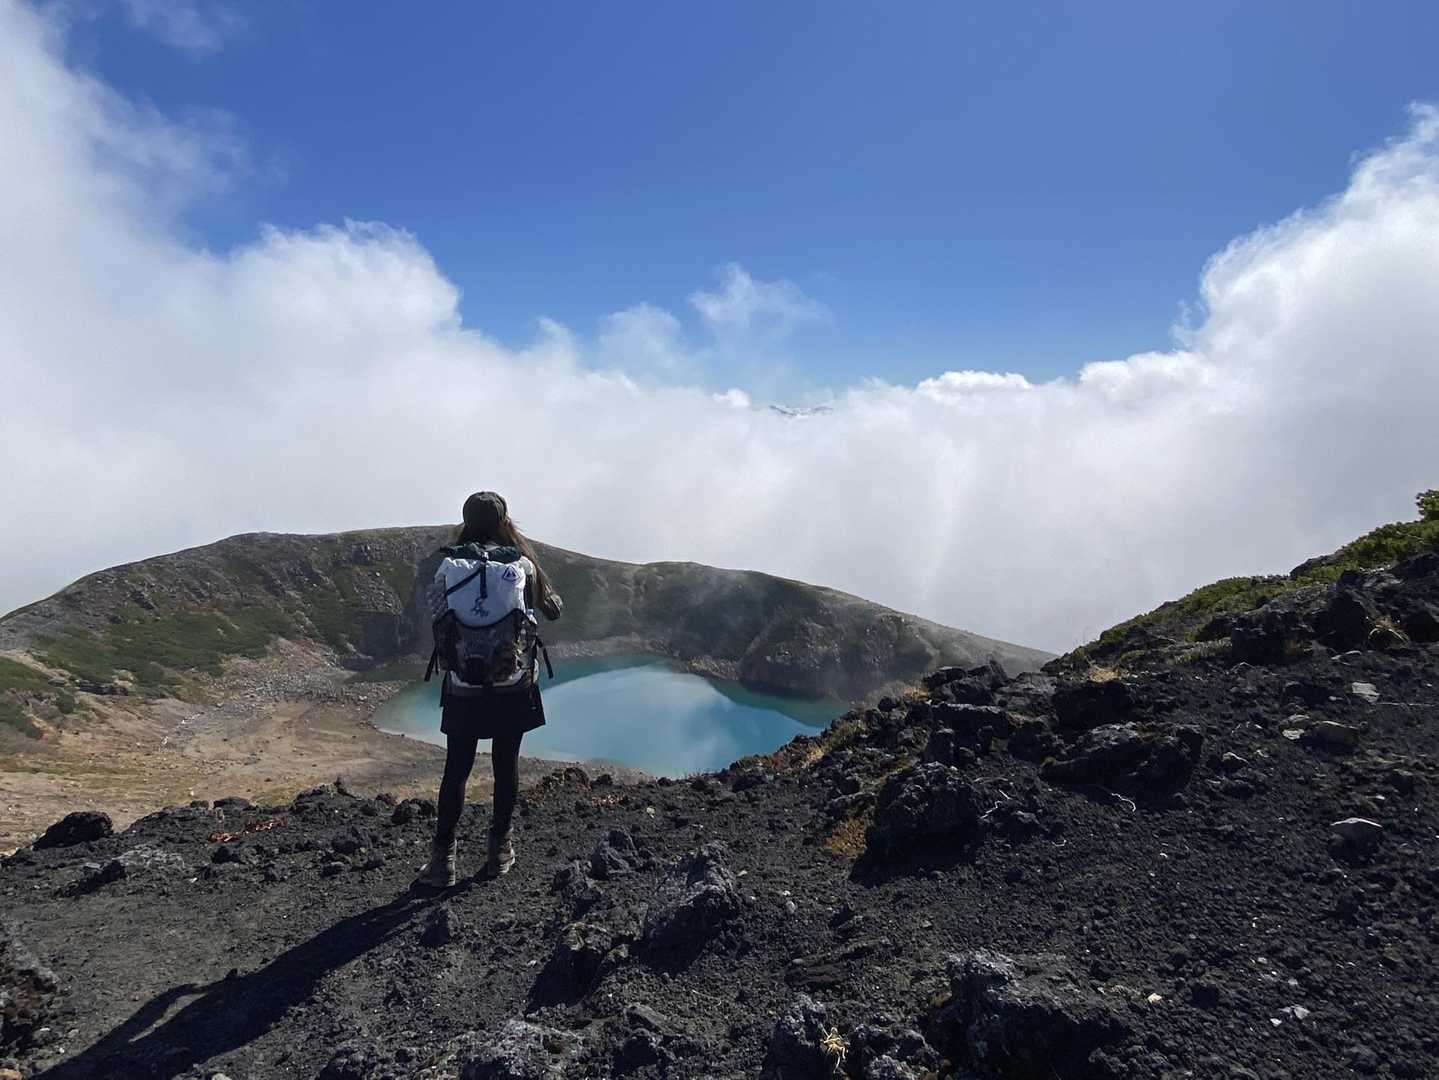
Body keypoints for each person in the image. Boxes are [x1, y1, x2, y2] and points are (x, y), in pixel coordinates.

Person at [415, 491, 562, 888]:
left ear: (466, 522)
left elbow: (438, 614)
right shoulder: (522, 565)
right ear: (503, 522)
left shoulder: (448, 565)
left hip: (463, 683)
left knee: (457, 768)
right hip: (512, 681)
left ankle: (442, 862)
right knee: (505, 763)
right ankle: (499, 852)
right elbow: (552, 610)